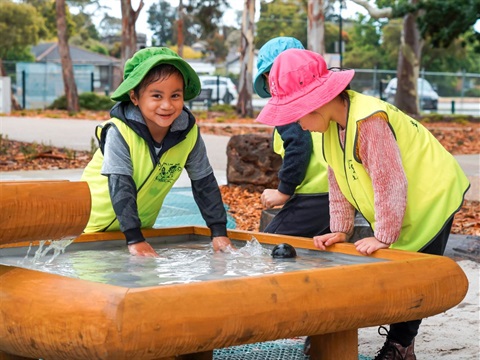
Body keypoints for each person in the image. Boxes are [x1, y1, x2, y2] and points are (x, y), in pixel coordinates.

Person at [255, 49, 470, 360]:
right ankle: (401, 344)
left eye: (296, 114)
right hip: (404, 202)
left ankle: (400, 346)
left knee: (411, 275)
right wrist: (340, 229)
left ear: (317, 101)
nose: (298, 126)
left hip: (433, 195)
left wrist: (383, 235)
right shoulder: (330, 128)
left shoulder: (368, 120)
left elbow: (389, 181)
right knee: (399, 267)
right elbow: (337, 179)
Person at [81, 47, 233, 257]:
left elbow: (204, 182)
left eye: (175, 95)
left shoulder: (188, 134)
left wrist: (219, 232)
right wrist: (135, 239)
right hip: (89, 230)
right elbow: (120, 184)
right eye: (156, 95)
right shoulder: (119, 132)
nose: (166, 105)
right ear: (134, 96)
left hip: (141, 232)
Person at [253, 37, 330, 237]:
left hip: (316, 195)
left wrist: (283, 192)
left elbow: (299, 147)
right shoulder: (319, 100)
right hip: (336, 190)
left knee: (271, 243)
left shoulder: (289, 106)